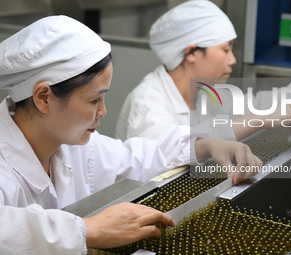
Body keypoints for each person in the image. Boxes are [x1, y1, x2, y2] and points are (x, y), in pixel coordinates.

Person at [0, 15, 262, 254]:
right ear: (43, 98)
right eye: (94, 100)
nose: (103, 111)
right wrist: (88, 229)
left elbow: (136, 158)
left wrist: (206, 145)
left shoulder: (72, 146)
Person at [115, 0, 291, 142]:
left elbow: (257, 103)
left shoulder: (206, 93)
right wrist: (259, 119)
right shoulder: (147, 103)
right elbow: (170, 155)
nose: (232, 60)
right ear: (192, 52)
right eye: (225, 49)